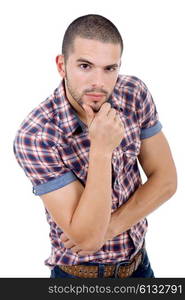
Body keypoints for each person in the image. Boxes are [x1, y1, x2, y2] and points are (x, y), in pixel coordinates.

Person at [13, 14, 177, 278]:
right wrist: (101, 149)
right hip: (78, 276)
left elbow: (167, 181)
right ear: (61, 65)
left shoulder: (133, 93)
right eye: (85, 66)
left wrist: (110, 227)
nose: (99, 83)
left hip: (139, 267)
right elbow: (88, 240)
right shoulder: (36, 135)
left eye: (110, 68)